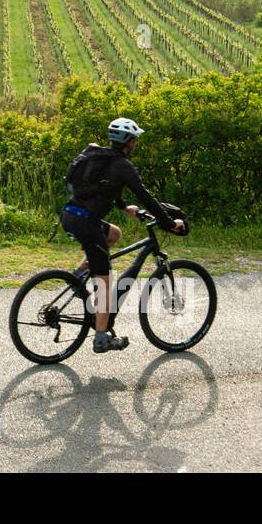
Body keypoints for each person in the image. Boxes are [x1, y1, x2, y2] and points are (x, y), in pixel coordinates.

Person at [62, 117, 184, 353]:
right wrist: (169, 224)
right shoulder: (123, 165)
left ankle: (78, 276)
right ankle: (100, 338)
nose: (135, 143)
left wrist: (124, 207)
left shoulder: (101, 156)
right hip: (86, 223)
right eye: (134, 140)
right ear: (128, 141)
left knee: (114, 234)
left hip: (70, 215)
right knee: (106, 284)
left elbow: (103, 187)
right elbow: (146, 196)